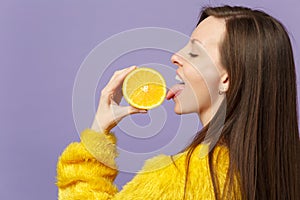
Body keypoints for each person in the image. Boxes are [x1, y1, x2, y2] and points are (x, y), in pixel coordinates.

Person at [56, 6, 300, 199]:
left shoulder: (181, 182)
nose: (175, 57)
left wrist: (97, 135)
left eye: (194, 52)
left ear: (227, 78)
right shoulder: (280, 170)